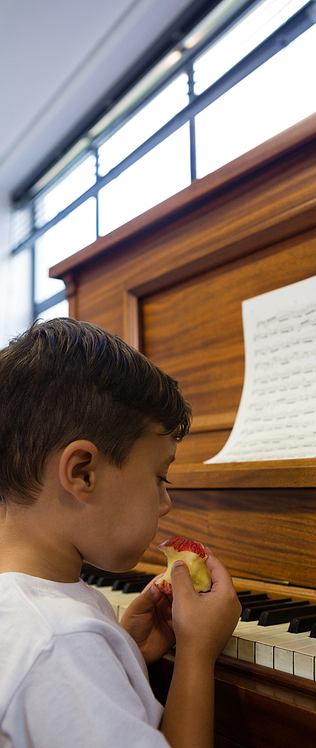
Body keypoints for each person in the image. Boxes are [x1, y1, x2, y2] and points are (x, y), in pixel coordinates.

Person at [0, 318, 241, 748]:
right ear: (82, 473)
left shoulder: (39, 618)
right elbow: (61, 659)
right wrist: (196, 656)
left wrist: (121, 650)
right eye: (158, 476)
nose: (165, 502)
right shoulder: (61, 643)